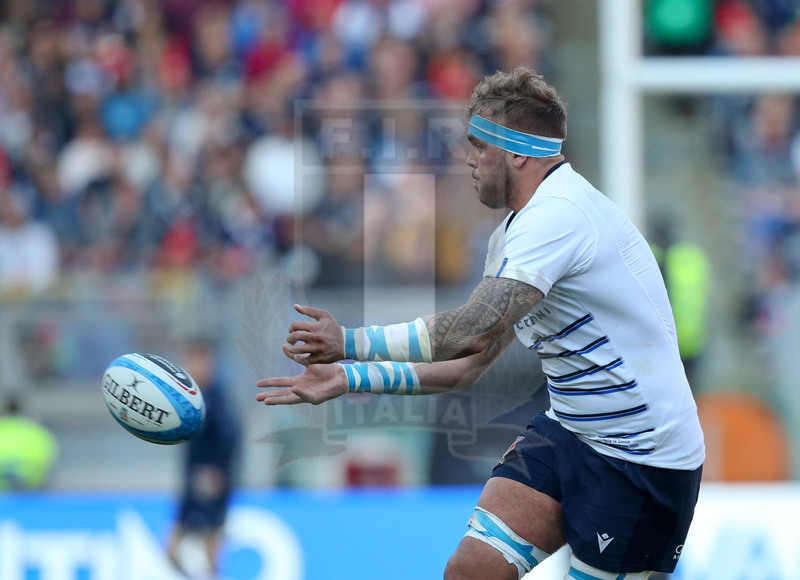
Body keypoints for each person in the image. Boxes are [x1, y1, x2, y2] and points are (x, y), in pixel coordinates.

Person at [256, 67, 705, 580]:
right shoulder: (517, 231)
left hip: (641, 459)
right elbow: (466, 368)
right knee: (470, 571)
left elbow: (471, 330)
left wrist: (349, 342)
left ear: (517, 153)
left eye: (478, 146)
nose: (467, 160)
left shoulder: (559, 216)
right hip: (571, 431)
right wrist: (350, 377)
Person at [167, 338, 240, 580]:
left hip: (208, 483)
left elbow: (230, 436)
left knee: (207, 549)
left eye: (196, 361)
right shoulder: (193, 398)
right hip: (192, 480)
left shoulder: (215, 399)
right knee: (174, 552)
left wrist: (218, 471)